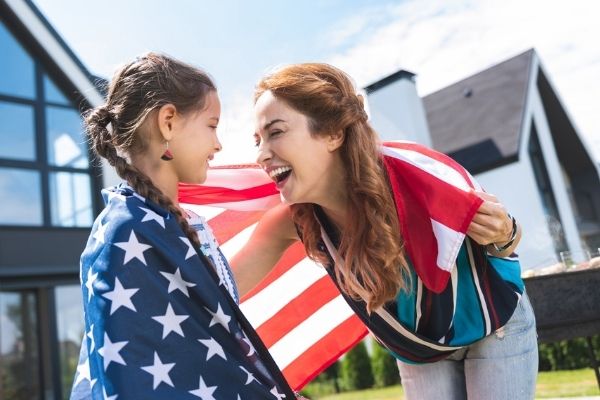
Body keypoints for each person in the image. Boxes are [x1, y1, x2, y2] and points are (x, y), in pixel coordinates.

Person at [232, 63, 538, 399]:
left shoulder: (416, 179)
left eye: (275, 132)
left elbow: (503, 243)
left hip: (493, 326)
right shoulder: (294, 221)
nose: (261, 155)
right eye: (258, 139)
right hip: (419, 349)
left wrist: (505, 231)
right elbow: (221, 284)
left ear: (334, 133)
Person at [70, 53, 295, 399]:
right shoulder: (123, 232)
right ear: (169, 122)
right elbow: (126, 375)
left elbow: (212, 310)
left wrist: (278, 233)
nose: (218, 143)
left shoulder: (173, 224)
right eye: (211, 125)